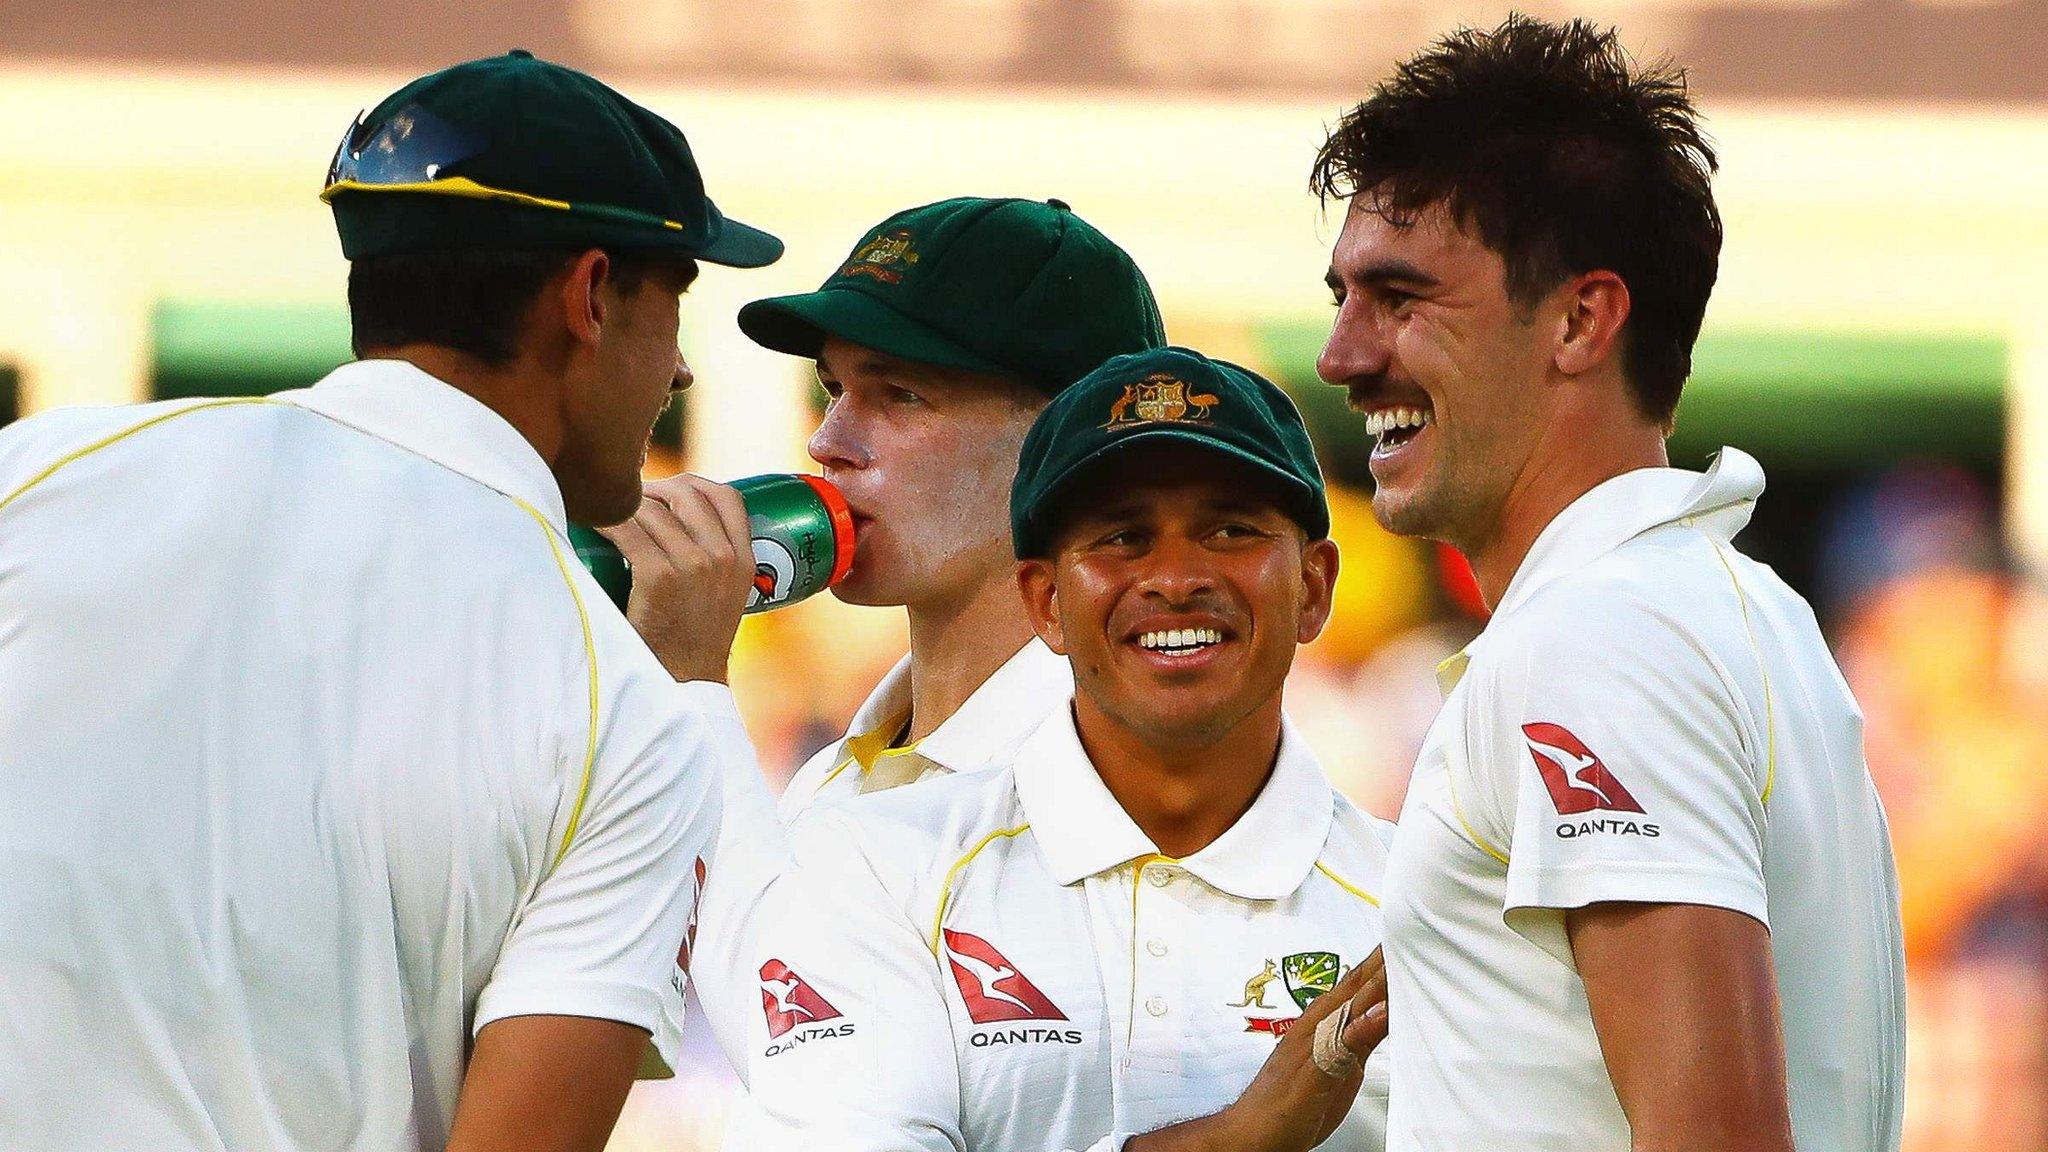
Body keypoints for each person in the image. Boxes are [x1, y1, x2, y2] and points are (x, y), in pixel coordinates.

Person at [0, 51, 778, 1152]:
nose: (682, 371)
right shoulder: (621, 705)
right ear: (591, 296)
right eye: (676, 309)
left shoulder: (37, 475)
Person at [1311, 17, 1906, 1151]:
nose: (1341, 354)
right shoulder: (1727, 608)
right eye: (1342, 296)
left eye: (1397, 297)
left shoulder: (1597, 639)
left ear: (1581, 320)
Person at [738, 346, 1393, 1152]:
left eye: (1230, 529)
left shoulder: (1417, 897)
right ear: (1045, 602)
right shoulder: (872, 864)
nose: (1177, 577)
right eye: (1123, 537)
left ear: (1314, 588)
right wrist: (1239, 1139)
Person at [608, 196, 1167, 1090]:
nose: (830, 443)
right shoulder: (840, 771)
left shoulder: (1115, 769)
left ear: (1071, 440)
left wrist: (688, 689)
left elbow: (818, 1064)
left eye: (901, 394)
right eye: (835, 389)